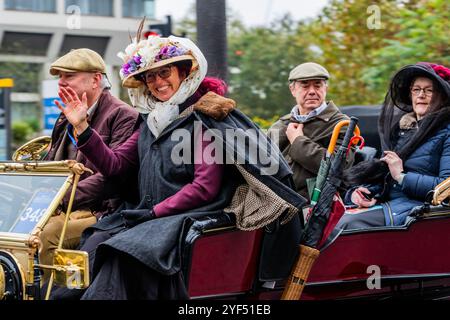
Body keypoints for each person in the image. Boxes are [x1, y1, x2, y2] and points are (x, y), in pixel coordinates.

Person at [50, 35, 306, 300]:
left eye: (165, 72)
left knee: (121, 255)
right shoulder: (151, 121)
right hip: (147, 217)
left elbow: (204, 188)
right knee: (91, 247)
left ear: (184, 72)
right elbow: (115, 166)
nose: (158, 83)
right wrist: (82, 128)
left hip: (186, 216)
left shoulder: (203, 118)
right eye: (150, 77)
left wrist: (153, 212)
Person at [39, 48, 140, 280]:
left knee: (48, 233)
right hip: (69, 205)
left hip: (103, 210)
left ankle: (52, 293)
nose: (61, 82)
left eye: (69, 76)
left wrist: (59, 199)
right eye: (59, 77)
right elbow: (52, 162)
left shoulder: (123, 115)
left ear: (95, 79)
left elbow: (112, 176)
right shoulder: (67, 115)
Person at [339, 62, 450, 229]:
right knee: (331, 220)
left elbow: (446, 188)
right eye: (416, 89)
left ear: (441, 96)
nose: (421, 95)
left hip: (418, 212)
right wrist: (363, 193)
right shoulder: (402, 131)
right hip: (392, 204)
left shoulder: (447, 132)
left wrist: (402, 176)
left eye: (429, 90)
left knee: (346, 224)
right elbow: (385, 178)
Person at [268, 62, 354, 201]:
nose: (312, 91)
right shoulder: (280, 125)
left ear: (325, 88)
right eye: (305, 85)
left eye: (318, 85)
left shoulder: (342, 124)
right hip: (275, 201)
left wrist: (298, 141)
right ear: (292, 89)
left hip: (313, 206)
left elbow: (338, 168)